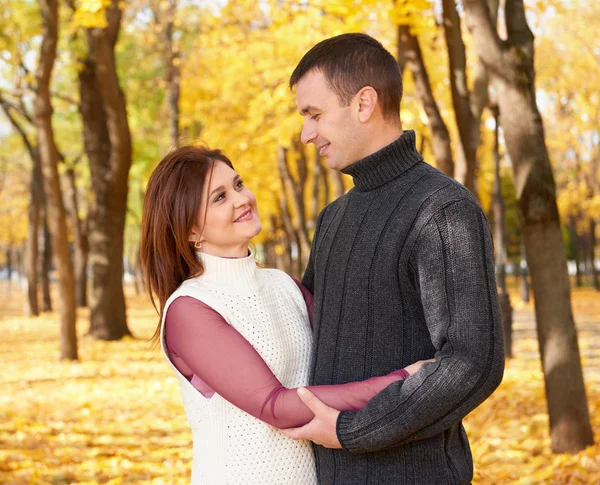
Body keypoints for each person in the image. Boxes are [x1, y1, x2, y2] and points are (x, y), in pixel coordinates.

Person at [281, 33, 505, 485]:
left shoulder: (441, 210)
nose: (306, 135)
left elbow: (472, 362)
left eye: (314, 115)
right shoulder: (332, 219)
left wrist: (352, 431)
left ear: (363, 103)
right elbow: (306, 339)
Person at [139, 145, 434, 484]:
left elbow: (345, 348)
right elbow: (276, 407)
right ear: (191, 231)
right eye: (219, 198)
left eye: (238, 184)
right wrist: (404, 380)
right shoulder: (190, 309)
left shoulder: (283, 285)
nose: (241, 199)